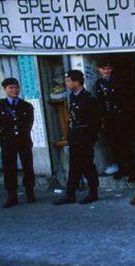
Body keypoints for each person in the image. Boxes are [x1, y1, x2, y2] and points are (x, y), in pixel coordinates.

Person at [54, 70, 101, 205]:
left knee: (87, 166)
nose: (67, 83)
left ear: (77, 82)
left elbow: (96, 121)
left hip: (85, 137)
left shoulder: (88, 99)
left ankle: (93, 193)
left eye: (69, 81)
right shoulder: (73, 97)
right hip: (75, 137)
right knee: (74, 167)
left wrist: (89, 136)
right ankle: (70, 195)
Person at [0, 78, 36, 208]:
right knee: (9, 168)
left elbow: (29, 123)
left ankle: (30, 193)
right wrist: (10, 133)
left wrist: (20, 132)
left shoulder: (26, 105)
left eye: (16, 87)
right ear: (5, 89)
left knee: (28, 166)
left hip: (23, 140)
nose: (14, 90)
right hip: (7, 141)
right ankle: (12, 196)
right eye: (11, 88)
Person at [94, 59, 135, 182]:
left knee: (125, 144)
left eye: (108, 69)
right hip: (108, 118)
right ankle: (121, 168)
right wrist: (101, 119)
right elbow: (101, 102)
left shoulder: (118, 81)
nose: (106, 71)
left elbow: (125, 99)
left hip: (121, 117)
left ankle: (132, 170)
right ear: (99, 70)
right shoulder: (99, 83)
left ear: (112, 69)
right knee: (113, 145)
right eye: (103, 69)